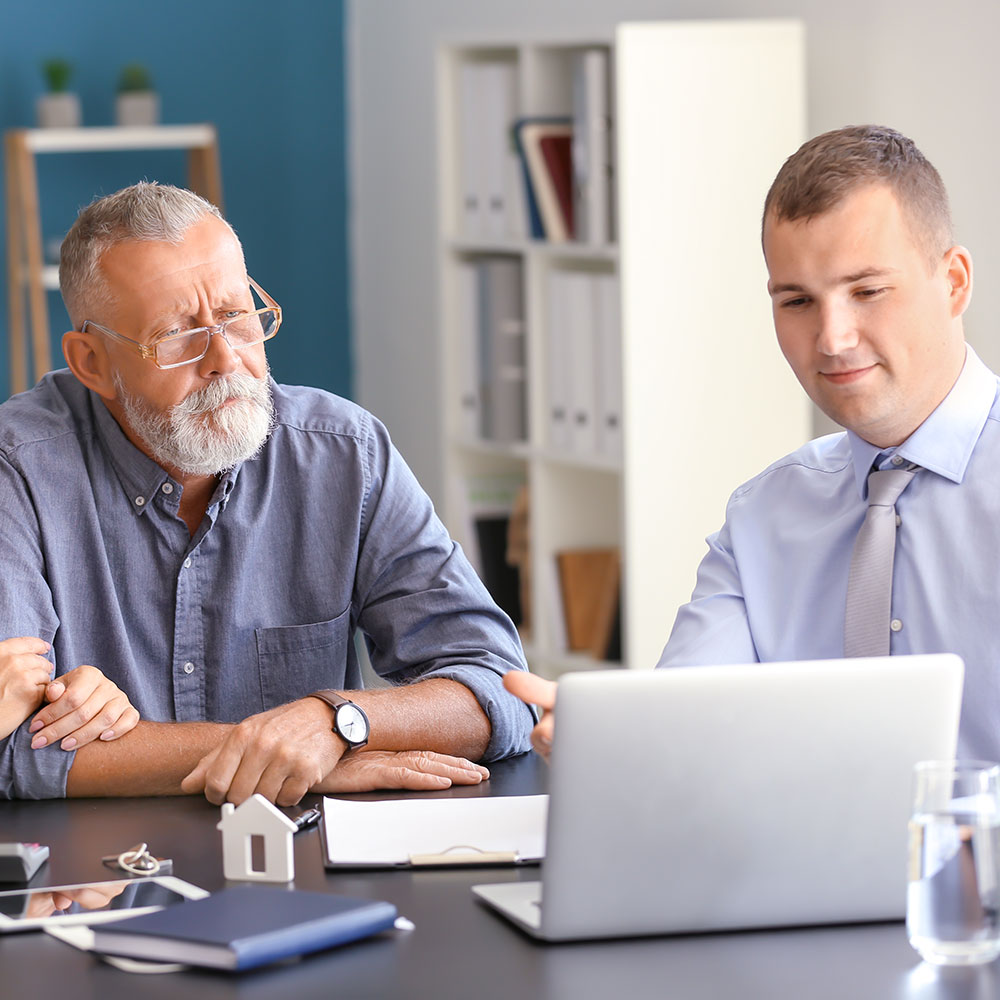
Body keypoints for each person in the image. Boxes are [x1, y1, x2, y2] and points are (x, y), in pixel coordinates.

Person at [0, 182, 533, 803]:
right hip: (97, 880)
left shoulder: (344, 452)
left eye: (235, 316)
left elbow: (500, 688)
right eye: (176, 335)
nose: (225, 358)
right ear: (91, 363)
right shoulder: (19, 467)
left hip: (304, 870)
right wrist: (294, 759)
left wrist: (332, 723)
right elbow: (15, 749)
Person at [508, 124, 998, 762]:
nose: (833, 338)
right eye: (797, 301)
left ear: (955, 282)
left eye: (868, 291)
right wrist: (614, 742)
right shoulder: (765, 514)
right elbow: (688, 725)